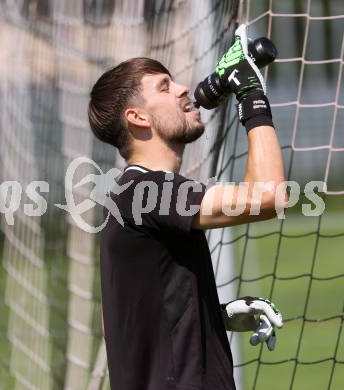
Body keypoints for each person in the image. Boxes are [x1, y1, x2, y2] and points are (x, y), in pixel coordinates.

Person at [88, 25, 286, 390]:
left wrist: (212, 315)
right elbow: (268, 196)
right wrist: (251, 93)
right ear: (137, 118)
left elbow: (115, 319)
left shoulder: (129, 197)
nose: (182, 89)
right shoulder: (145, 191)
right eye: (164, 87)